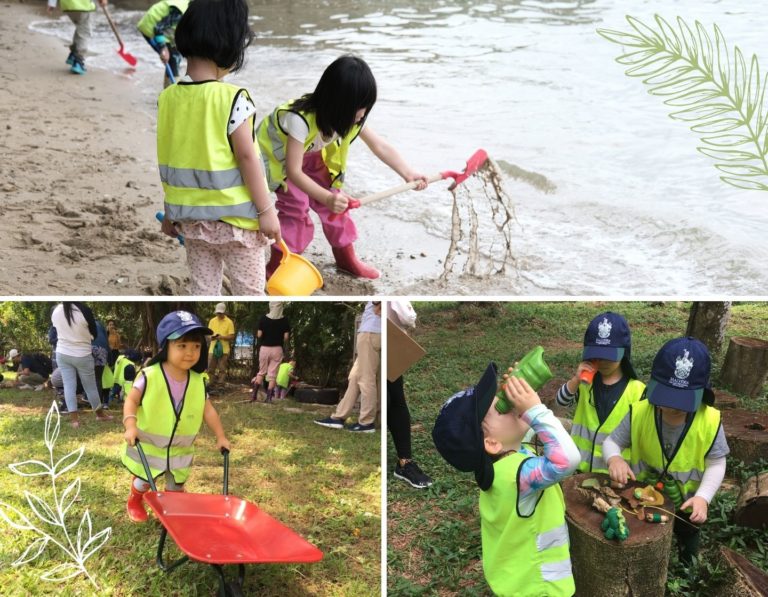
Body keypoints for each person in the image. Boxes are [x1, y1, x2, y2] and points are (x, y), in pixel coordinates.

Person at [257, 55, 427, 279]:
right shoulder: (299, 119)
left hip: (313, 156)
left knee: (338, 206)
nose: (363, 114)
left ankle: (346, 259)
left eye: (366, 107)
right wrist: (326, 197)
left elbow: (380, 146)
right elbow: (294, 171)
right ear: (337, 103)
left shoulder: (352, 119)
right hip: (283, 161)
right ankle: (278, 266)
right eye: (359, 107)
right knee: (296, 209)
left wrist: (408, 173)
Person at [158, 0, 280, 295]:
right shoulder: (234, 97)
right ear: (230, 43)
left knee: (202, 291)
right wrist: (266, 210)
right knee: (251, 292)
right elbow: (248, 156)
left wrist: (170, 211)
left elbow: (172, 159)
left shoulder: (168, 98)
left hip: (192, 222)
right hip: (236, 223)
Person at [432, 363, 580, 596]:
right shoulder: (519, 475)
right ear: (491, 443)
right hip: (540, 587)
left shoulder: (498, 467)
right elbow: (567, 459)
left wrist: (526, 393)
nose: (511, 405)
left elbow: (536, 434)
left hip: (513, 582)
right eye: (502, 408)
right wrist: (536, 409)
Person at [605, 336, 729, 565]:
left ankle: (686, 566)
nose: (671, 406)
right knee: (639, 535)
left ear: (702, 393)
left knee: (688, 533)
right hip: (641, 498)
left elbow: (717, 463)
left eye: (681, 401)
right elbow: (612, 442)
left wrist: (703, 497)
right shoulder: (640, 412)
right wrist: (615, 459)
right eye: (665, 397)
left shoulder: (710, 421)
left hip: (686, 504)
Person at [121, 310, 230, 523]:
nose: (190, 352)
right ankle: (135, 500)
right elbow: (131, 400)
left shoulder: (198, 381)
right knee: (144, 480)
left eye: (196, 346)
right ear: (165, 347)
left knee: (176, 486)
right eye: (182, 346)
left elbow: (207, 410)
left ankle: (172, 510)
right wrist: (130, 425)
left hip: (180, 451)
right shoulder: (149, 375)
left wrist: (220, 436)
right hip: (149, 449)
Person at [555, 312, 645, 474]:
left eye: (609, 357)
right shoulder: (585, 383)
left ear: (624, 353)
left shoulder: (637, 390)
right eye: (597, 356)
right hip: (578, 470)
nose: (602, 362)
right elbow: (561, 401)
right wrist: (575, 380)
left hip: (614, 475)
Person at [387, 301, 433, 489]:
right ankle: (404, 462)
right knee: (394, 401)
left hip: (390, 344)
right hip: (388, 343)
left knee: (395, 401)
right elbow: (407, 317)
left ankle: (404, 462)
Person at [315, 301, 381, 432]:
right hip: (372, 332)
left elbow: (379, 306)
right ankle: (338, 417)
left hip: (370, 333)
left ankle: (367, 423)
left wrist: (378, 306)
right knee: (355, 378)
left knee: (366, 379)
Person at [51, 302, 113, 428]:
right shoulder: (84, 310)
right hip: (82, 354)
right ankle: (100, 415)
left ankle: (74, 421)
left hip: (62, 353)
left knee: (68, 386)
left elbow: (55, 331)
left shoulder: (56, 310)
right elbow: (94, 333)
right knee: (90, 387)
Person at [137, 0, 189, 86]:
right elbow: (158, 28)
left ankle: (168, 88)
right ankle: (173, 92)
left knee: (176, 57)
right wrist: (163, 48)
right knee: (172, 59)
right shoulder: (181, 13)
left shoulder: (193, 8)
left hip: (165, 27)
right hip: (150, 27)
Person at [250, 302, 290, 403]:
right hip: (277, 349)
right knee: (272, 375)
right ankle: (268, 399)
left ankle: (254, 397)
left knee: (261, 372)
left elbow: (259, 335)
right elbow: (286, 337)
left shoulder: (263, 318)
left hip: (265, 348)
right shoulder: (285, 320)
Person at [56, 0, 108, 75]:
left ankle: (73, 54)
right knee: (85, 32)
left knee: (81, 28)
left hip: (67, 5)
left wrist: (52, 3)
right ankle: (78, 61)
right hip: (83, 5)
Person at [207, 302, 235, 386]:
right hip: (212, 348)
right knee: (210, 368)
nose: (219, 314)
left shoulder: (229, 322)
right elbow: (208, 334)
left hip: (224, 349)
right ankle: (210, 383)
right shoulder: (212, 321)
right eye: (218, 313)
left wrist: (222, 337)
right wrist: (211, 337)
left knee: (222, 369)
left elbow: (232, 336)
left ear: (224, 312)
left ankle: (220, 384)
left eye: (220, 313)